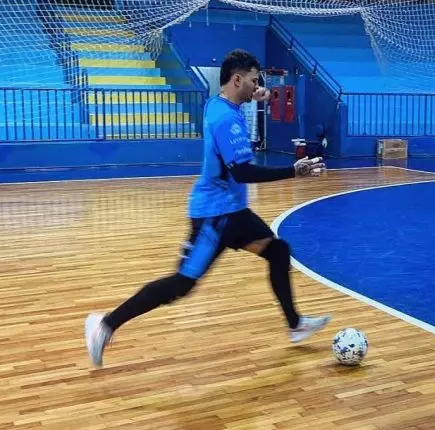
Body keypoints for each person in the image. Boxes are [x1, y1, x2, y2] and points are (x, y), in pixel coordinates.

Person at [84, 49, 331, 368]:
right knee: (181, 284)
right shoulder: (225, 120)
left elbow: (241, 102)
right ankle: (104, 325)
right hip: (215, 215)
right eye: (253, 81)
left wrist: (257, 95)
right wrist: (293, 172)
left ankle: (295, 325)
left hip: (233, 212)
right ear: (237, 79)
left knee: (278, 251)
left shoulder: (218, 104)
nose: (257, 86)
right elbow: (243, 172)